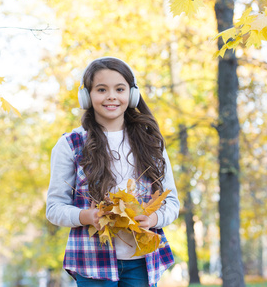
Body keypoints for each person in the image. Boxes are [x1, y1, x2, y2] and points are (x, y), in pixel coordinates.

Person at [46, 57, 179, 287]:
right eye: (101, 89)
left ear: (132, 94)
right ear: (87, 96)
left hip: (141, 263)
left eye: (119, 89)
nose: (111, 96)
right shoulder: (70, 144)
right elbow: (54, 208)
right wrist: (86, 216)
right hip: (92, 263)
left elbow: (172, 202)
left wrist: (154, 218)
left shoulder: (151, 143)